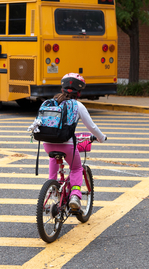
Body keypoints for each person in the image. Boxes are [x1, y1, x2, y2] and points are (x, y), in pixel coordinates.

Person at [44, 73, 106, 210]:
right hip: (67, 145)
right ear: (79, 93)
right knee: (76, 168)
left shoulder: (51, 102)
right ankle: (75, 195)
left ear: (62, 89)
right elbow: (92, 127)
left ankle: (52, 187)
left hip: (47, 144)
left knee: (53, 158)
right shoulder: (78, 105)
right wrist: (101, 138)